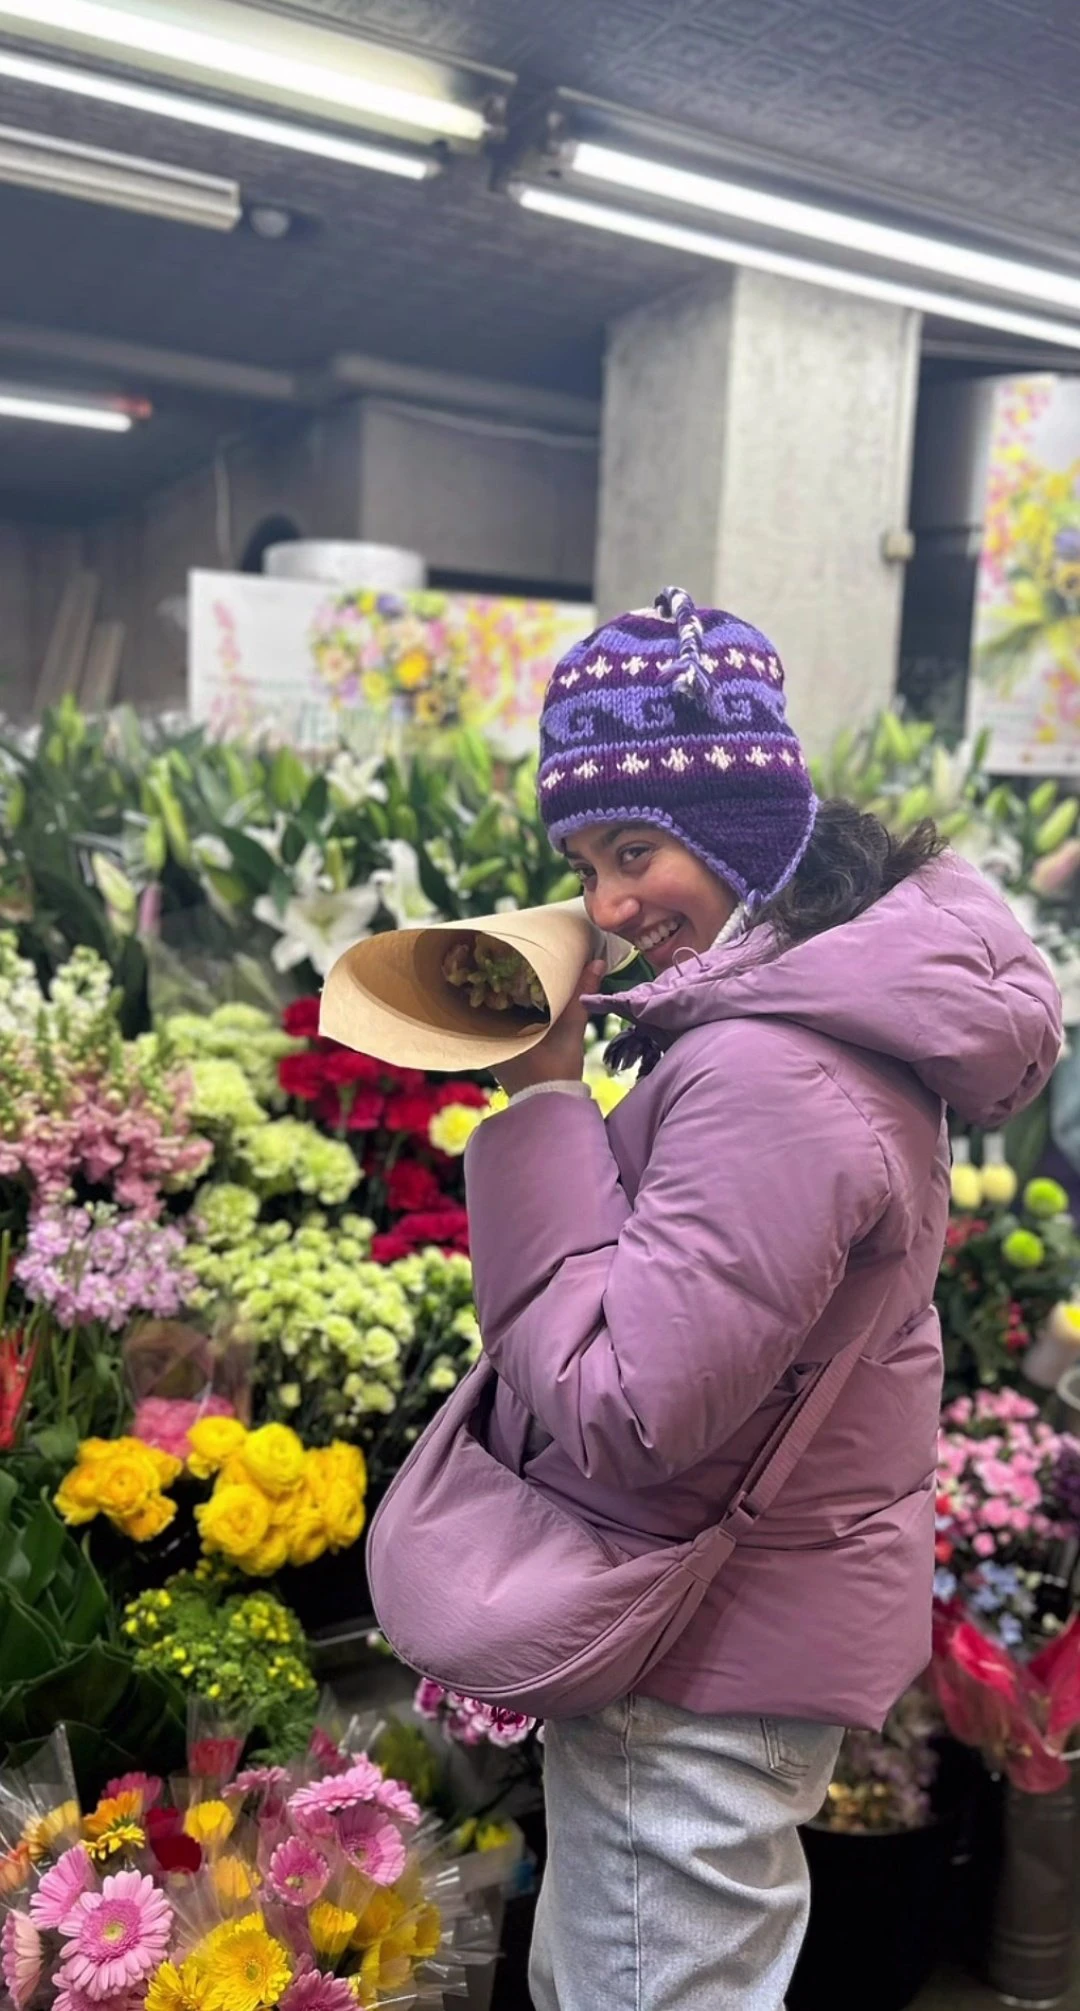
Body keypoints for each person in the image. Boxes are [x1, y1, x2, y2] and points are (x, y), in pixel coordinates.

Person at [461, 588, 1062, 2011]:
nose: (605, 904)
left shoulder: (771, 1071)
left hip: (694, 1651)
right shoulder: (807, 1029)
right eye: (582, 863)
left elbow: (631, 1409)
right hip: (735, 1623)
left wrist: (546, 1104)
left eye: (632, 849)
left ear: (739, 828)